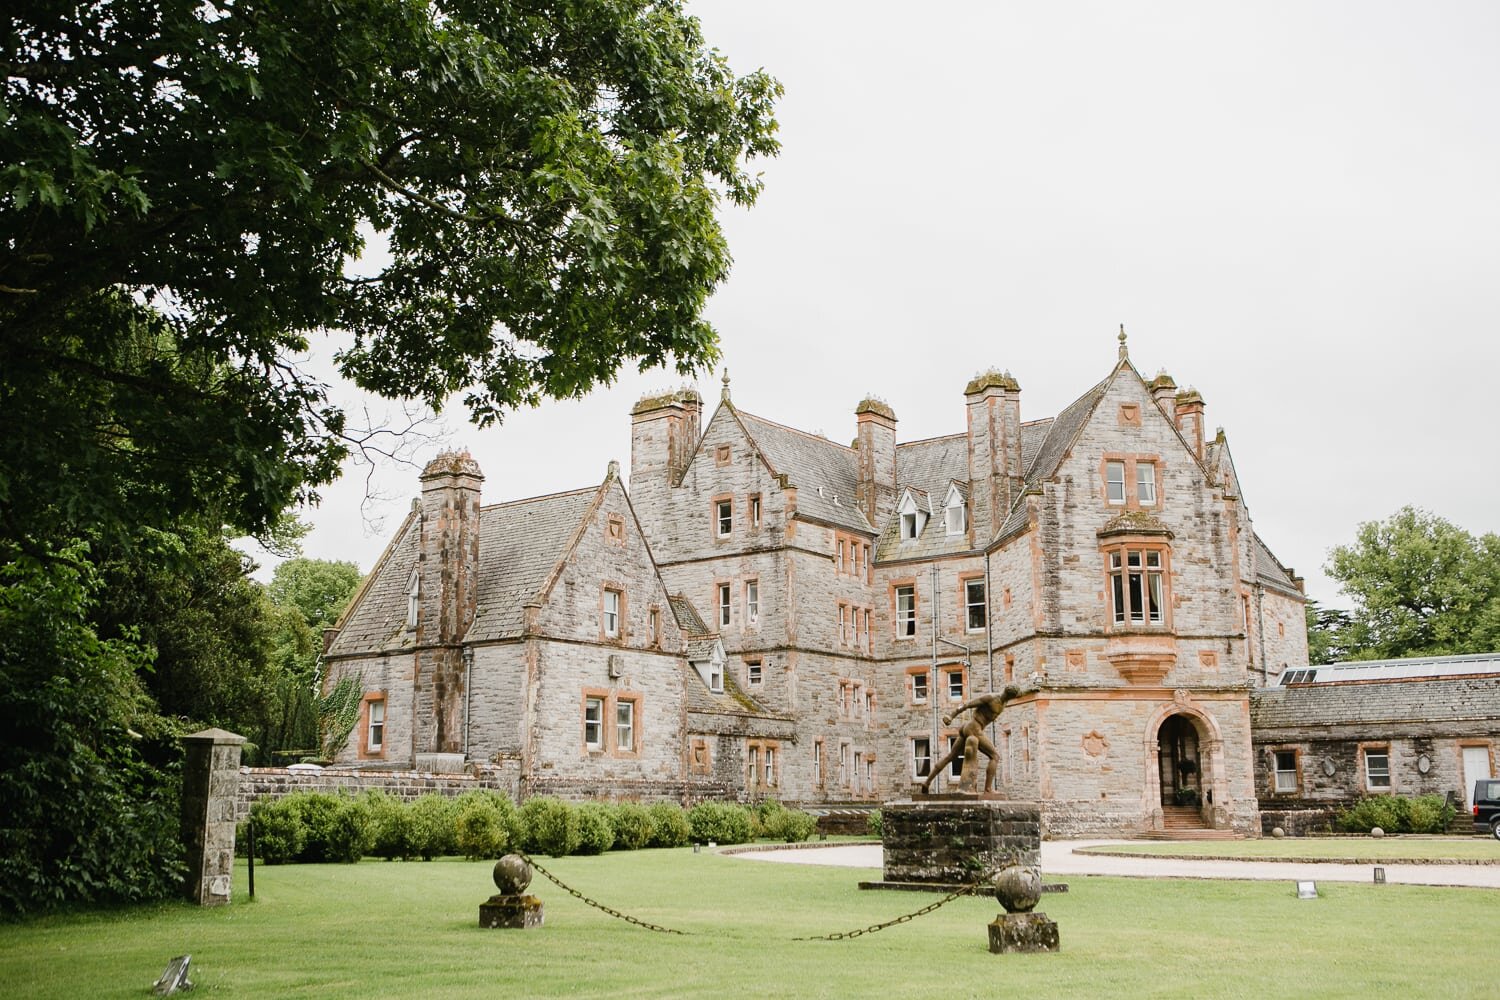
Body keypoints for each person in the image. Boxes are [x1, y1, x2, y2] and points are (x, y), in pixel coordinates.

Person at [920, 684, 1022, 794]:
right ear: (1008, 694)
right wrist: (951, 715)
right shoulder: (991, 698)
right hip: (974, 727)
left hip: (968, 727)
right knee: (995, 756)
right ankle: (988, 790)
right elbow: (967, 704)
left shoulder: (1004, 701)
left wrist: (1033, 688)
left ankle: (927, 782)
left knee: (950, 757)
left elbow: (1022, 693)